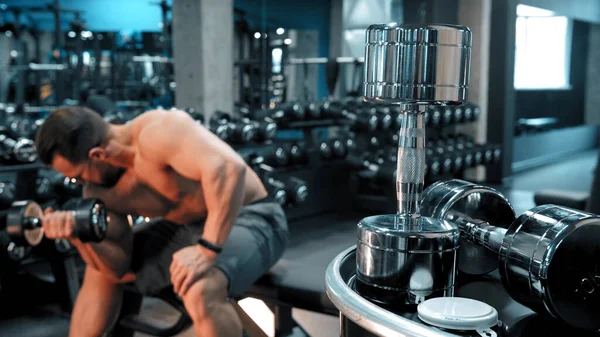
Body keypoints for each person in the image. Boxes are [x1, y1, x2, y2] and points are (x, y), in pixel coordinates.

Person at [35, 106, 289, 337]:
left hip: (252, 217)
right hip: (186, 228)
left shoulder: (159, 132)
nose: (80, 185)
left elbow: (229, 169)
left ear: (98, 155)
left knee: (200, 288)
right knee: (98, 273)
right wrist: (81, 236)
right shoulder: (99, 191)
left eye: (78, 176)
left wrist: (207, 250)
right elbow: (117, 269)